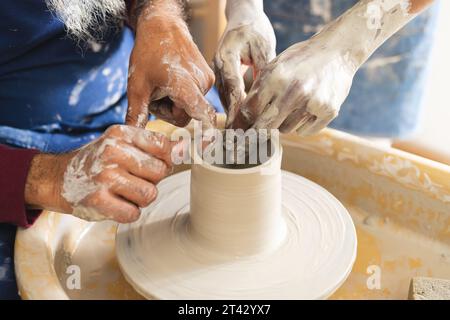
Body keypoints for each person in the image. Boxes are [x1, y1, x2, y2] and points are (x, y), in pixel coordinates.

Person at [0, 0, 217, 299]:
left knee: (216, 129)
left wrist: (159, 15)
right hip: (15, 146)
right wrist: (44, 178)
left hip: (135, 73)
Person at [214, 0, 437, 138]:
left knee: (358, 158)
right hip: (284, 12)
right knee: (268, 119)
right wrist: (245, 7)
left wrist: (345, 50)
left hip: (387, 16)